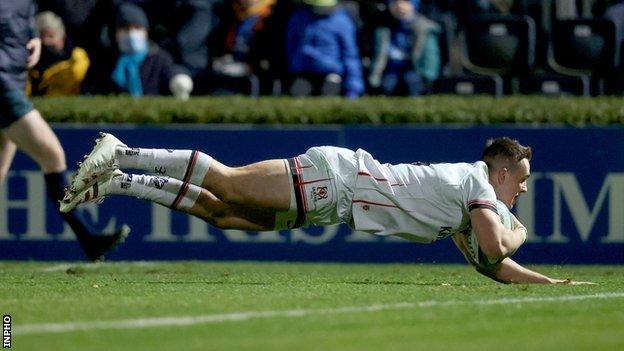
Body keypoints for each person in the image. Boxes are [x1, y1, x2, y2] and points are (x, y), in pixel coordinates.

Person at [62, 133, 592, 285]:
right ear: (500, 171)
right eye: (519, 183)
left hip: (335, 202)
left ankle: (119, 183)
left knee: (224, 215)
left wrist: (546, 285)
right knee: (229, 184)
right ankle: (124, 151)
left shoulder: (472, 199)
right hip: (336, 177)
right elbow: (500, 246)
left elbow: (490, 265)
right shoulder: (477, 181)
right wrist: (516, 228)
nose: (520, 192)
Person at [0, 0, 129, 261]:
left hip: (13, 78)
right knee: (52, 156)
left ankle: (89, 240)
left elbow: (23, 19)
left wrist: (33, 37)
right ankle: (87, 237)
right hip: (3, 84)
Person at [82, 3, 193, 99]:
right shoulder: (105, 62)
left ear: (146, 31)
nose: (131, 34)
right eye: (126, 29)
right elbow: (91, 89)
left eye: (137, 28)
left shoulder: (159, 58)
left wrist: (178, 77)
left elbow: (171, 70)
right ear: (116, 33)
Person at [285, 0, 364, 98]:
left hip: (332, 73)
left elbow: (350, 56)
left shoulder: (342, 22)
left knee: (329, 94)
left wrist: (353, 88)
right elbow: (291, 46)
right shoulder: (299, 18)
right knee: (298, 96)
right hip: (304, 72)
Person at [368, 0, 441, 96]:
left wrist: (428, 77)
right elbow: (378, 55)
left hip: (415, 70)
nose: (399, 6)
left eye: (405, 1)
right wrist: (374, 78)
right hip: (390, 70)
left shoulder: (424, 28)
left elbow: (430, 56)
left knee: (413, 84)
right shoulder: (383, 26)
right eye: (394, 2)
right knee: (386, 87)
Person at [27, 11, 90, 96]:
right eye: (42, 36)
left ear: (62, 37)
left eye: (51, 36)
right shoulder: (30, 63)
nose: (46, 41)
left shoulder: (76, 59)